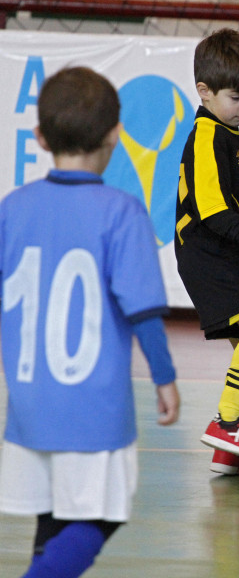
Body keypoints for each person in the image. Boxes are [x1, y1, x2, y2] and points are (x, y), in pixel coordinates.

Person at [0, 67, 180, 578]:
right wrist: (165, 378)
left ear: (39, 138)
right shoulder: (121, 211)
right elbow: (142, 308)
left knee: (54, 511)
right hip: (94, 407)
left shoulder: (12, 208)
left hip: (30, 401)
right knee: (103, 514)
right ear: (115, 135)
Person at [174, 28, 239, 475]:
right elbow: (210, 204)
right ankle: (230, 422)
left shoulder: (229, 135)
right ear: (204, 91)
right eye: (237, 96)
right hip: (207, 250)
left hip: (218, 251)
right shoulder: (206, 135)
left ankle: (228, 448)